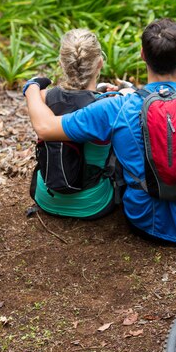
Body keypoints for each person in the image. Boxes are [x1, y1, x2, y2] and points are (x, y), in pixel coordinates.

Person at [24, 18, 176, 244]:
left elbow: (45, 128)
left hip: (141, 222)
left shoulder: (115, 106)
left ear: (142, 55)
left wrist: (31, 88)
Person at [29, 29, 119, 220]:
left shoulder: (42, 98)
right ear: (100, 63)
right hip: (92, 204)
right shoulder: (105, 108)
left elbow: (73, 98)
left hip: (46, 198)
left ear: (61, 63)